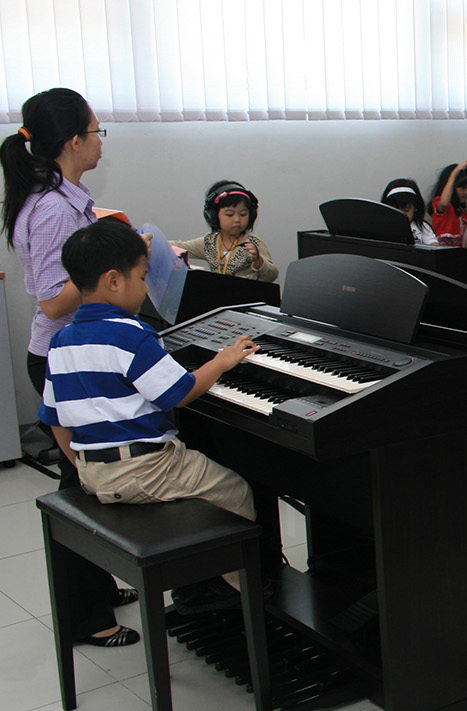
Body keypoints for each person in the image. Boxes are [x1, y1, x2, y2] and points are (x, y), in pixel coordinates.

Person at [40, 220, 264, 616]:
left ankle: (204, 577)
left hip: (93, 472)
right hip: (147, 469)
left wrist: (81, 464)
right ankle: (235, 591)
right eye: (142, 278)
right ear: (113, 281)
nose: (146, 289)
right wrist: (223, 360)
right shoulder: (132, 334)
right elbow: (180, 391)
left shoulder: (60, 341)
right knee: (237, 490)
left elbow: (54, 417)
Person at [1, 88, 136, 645]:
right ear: (74, 141)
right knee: (80, 482)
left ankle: (96, 589)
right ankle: (88, 618)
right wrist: (113, 266)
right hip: (63, 357)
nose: (101, 142)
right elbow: (55, 301)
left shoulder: (60, 196)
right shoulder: (55, 208)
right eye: (97, 131)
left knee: (85, 475)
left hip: (67, 354)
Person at [169, 180, 277, 281]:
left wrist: (259, 261)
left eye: (243, 214)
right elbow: (176, 246)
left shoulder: (254, 243)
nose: (237, 219)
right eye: (229, 214)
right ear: (214, 216)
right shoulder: (209, 243)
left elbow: (272, 275)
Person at [431, 161, 467, 247]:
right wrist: (453, 175)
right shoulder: (441, 205)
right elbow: (444, 203)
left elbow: (463, 242)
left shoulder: (462, 213)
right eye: (463, 188)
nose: (466, 192)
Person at [382, 178, 438, 245]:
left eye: (406, 210)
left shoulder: (422, 227)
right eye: (396, 210)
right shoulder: (384, 227)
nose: (401, 214)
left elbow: (433, 244)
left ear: (415, 208)